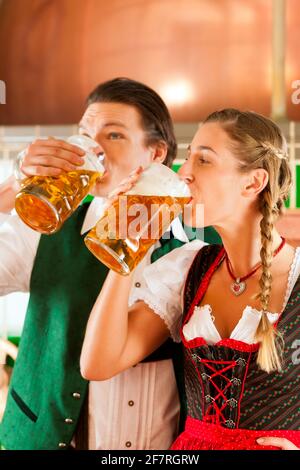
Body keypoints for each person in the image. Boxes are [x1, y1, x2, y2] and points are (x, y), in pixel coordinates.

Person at [81, 108, 300, 450]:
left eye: (204, 161)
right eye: (187, 159)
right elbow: (98, 363)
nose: (184, 174)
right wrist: (127, 251)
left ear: (253, 182)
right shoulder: (188, 268)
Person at [0, 77, 196, 450]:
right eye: (86, 134)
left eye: (114, 135)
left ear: (156, 153)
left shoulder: (202, 247)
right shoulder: (46, 225)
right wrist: (14, 185)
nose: (94, 149)